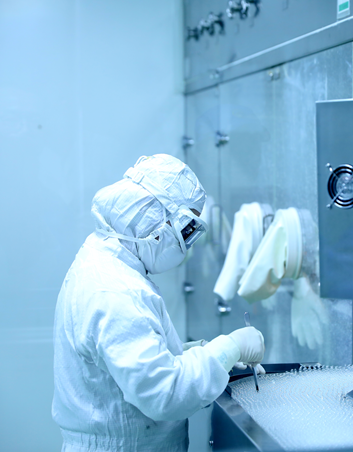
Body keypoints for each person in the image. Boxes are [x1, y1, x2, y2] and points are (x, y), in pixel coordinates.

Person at [53, 154, 265, 452]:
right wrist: (229, 348)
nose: (186, 243)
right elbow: (165, 394)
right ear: (154, 219)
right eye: (186, 229)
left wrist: (208, 356)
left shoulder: (105, 260)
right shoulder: (115, 291)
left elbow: (133, 359)